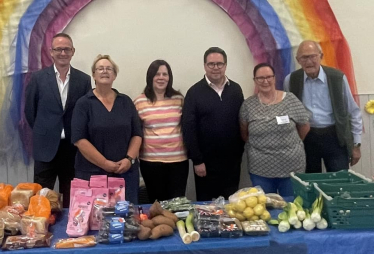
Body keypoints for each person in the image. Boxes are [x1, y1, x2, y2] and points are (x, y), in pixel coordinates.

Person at [24, 33, 91, 208]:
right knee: (41, 197)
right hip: (45, 147)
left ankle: (71, 232)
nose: (63, 53)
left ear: (73, 51)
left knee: (71, 196)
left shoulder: (83, 80)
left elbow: (86, 114)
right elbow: (30, 112)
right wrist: (45, 131)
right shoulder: (38, 78)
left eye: (66, 49)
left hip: (72, 148)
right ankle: (40, 231)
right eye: (58, 49)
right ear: (51, 52)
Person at [71, 54, 142, 204]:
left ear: (114, 75)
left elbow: (137, 134)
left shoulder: (126, 101)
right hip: (92, 174)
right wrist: (104, 163)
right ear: (94, 75)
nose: (104, 71)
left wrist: (129, 159)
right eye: (100, 68)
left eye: (109, 68)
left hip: (125, 173)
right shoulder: (83, 103)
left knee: (127, 221)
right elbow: (79, 140)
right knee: (95, 221)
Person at [284, 40, 362, 173]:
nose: (309, 61)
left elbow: (353, 112)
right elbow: (287, 112)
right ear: (298, 60)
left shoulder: (337, 78)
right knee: (309, 183)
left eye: (313, 56)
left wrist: (356, 145)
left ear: (321, 56)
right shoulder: (290, 80)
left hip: (335, 136)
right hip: (306, 138)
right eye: (304, 57)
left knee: (339, 181)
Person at [182, 47, 244, 201]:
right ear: (205, 66)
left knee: (231, 207)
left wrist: (239, 153)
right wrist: (197, 160)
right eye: (211, 64)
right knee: (207, 209)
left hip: (232, 163)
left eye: (219, 64)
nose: (216, 68)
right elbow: (189, 129)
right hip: (205, 164)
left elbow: (242, 122)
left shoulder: (236, 90)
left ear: (225, 65)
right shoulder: (194, 93)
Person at [239, 63, 310, 195]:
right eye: (260, 78)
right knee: (264, 208)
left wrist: (291, 144)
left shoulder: (290, 100)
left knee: (292, 206)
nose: (265, 81)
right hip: (260, 168)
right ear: (255, 81)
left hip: (292, 166)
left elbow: (305, 126)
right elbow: (244, 132)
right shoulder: (248, 105)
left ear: (274, 78)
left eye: (268, 77)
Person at [134, 60, 189, 203]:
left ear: (169, 77)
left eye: (165, 74)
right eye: (157, 74)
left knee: (177, 204)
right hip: (151, 161)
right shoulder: (139, 101)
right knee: (156, 203)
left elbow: (188, 127)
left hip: (178, 161)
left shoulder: (179, 99)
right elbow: (136, 133)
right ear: (150, 77)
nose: (161, 77)